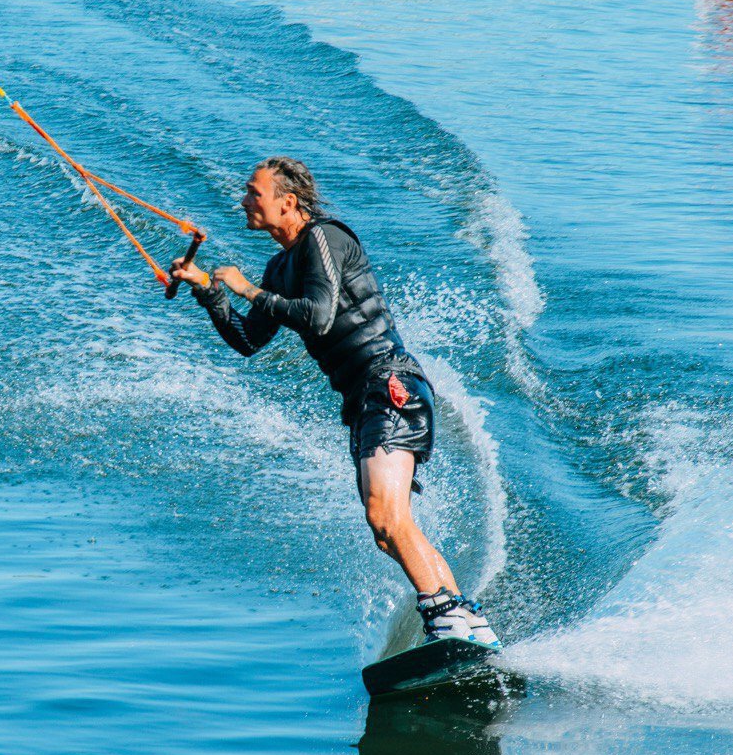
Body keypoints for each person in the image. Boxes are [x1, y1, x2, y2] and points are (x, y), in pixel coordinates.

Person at [170, 157, 500, 645]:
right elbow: (246, 340)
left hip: (391, 383)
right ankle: (466, 621)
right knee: (387, 527)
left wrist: (247, 289)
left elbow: (320, 315)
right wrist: (209, 292)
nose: (242, 201)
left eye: (252, 192)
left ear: (288, 202)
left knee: (384, 514)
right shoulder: (279, 266)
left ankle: (444, 614)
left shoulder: (324, 237)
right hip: (364, 399)